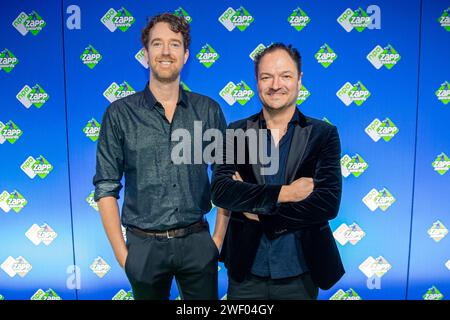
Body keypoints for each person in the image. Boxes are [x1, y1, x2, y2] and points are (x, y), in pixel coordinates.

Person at [93, 13, 228, 300]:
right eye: (157, 43)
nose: (166, 52)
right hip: (143, 248)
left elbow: (225, 175)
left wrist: (216, 241)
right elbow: (105, 186)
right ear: (146, 53)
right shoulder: (119, 114)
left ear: (186, 54)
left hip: (197, 243)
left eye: (174, 44)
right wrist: (123, 256)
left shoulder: (208, 110)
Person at [211, 43, 345, 300]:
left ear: (299, 80)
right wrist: (285, 193)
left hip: (301, 270)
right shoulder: (235, 131)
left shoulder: (323, 134)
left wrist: (257, 210)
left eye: (285, 76)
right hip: (245, 271)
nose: (275, 85)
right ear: (257, 82)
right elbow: (221, 191)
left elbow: (326, 204)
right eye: (266, 77)